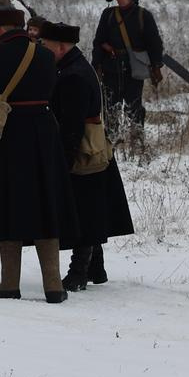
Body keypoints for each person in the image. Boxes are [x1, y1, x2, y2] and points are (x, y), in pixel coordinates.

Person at [0, 4, 70, 302]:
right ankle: (53, 285)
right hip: (43, 135)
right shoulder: (45, 56)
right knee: (45, 205)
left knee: (7, 204)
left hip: (7, 137)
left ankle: (9, 283)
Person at [42, 19, 134, 289]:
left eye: (46, 45)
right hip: (91, 150)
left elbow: (72, 124)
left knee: (83, 212)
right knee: (91, 210)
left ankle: (78, 272)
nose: (43, 50)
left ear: (61, 47)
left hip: (83, 153)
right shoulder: (76, 66)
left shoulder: (73, 76)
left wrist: (64, 160)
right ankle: (96, 268)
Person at [93, 0, 166, 138]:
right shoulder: (108, 15)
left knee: (134, 107)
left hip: (134, 69)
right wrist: (96, 65)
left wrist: (156, 66)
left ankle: (137, 138)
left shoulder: (143, 15)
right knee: (110, 107)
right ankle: (111, 140)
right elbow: (98, 41)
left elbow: (154, 43)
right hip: (111, 68)